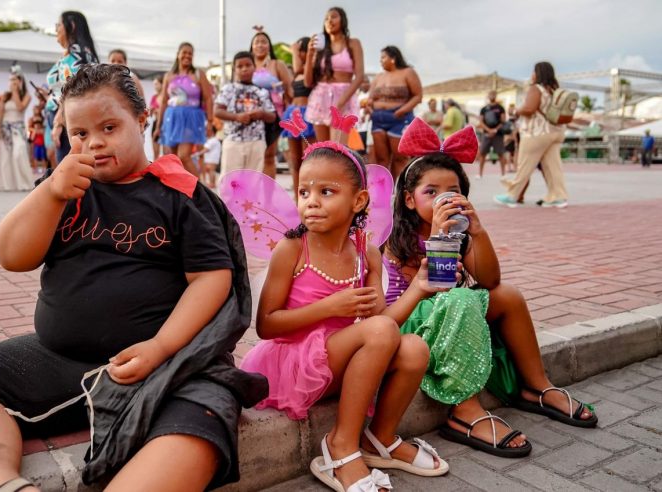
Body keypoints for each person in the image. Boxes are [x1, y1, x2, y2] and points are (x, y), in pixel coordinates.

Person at [0, 63, 266, 492]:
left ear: (142, 120)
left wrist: (161, 347)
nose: (95, 143)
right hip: (61, 360)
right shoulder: (66, 187)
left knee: (202, 424)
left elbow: (212, 279)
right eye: (79, 134)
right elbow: (12, 256)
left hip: (168, 367)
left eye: (109, 127)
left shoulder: (180, 194)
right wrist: (49, 193)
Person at [382, 118, 597, 459]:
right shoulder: (395, 240)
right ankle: (464, 411)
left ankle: (536, 385)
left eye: (452, 191)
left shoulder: (460, 229)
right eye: (431, 192)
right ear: (409, 200)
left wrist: (478, 233)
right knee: (458, 297)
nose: (443, 199)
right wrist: (440, 238)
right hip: (408, 327)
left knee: (507, 295)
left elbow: (491, 281)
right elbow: (438, 287)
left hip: (452, 312)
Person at [240, 141, 449, 491]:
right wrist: (330, 307)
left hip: (337, 362)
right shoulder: (293, 249)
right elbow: (266, 325)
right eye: (303, 191)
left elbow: (382, 320)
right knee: (381, 331)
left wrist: (419, 289)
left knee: (414, 349)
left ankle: (379, 440)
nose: (311, 201)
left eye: (326, 191)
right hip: (294, 365)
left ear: (359, 201)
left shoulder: (367, 252)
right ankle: (341, 445)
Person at [495, 62, 569, 208]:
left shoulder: (536, 89)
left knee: (524, 165)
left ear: (538, 73)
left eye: (534, 71)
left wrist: (516, 111)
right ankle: (559, 196)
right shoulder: (553, 90)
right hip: (554, 133)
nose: (532, 75)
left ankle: (512, 195)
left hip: (536, 133)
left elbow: (529, 109)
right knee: (553, 167)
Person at [305, 7, 365, 143]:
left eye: (333, 17)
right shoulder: (321, 49)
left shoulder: (353, 43)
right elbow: (308, 82)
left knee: (338, 150)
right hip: (320, 98)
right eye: (326, 18)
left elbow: (360, 76)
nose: (329, 21)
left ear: (343, 20)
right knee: (324, 149)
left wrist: (341, 101)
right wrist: (309, 54)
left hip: (343, 97)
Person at [154, 42, 214, 177]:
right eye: (184, 52)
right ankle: (179, 191)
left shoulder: (198, 74)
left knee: (184, 156)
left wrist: (210, 122)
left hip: (191, 119)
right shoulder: (169, 76)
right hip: (172, 119)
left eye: (190, 53)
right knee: (172, 158)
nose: (187, 55)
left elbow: (209, 99)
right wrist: (158, 126)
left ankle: (200, 192)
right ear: (178, 55)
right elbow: (163, 101)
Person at [47, 10, 98, 164]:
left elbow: (73, 92)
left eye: (58, 24)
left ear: (72, 26)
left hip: (67, 119)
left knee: (69, 165)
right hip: (67, 116)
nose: (56, 29)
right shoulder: (82, 54)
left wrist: (58, 122)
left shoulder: (76, 56)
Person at [214, 51, 275, 179]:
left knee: (253, 181)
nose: (244, 69)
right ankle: (227, 201)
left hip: (256, 141)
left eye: (248, 65)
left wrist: (261, 114)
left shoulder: (261, 91)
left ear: (254, 67)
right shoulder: (228, 89)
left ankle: (250, 200)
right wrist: (236, 117)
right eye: (240, 66)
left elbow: (273, 116)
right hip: (233, 141)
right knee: (230, 180)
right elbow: (217, 111)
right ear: (234, 69)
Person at [368, 45, 422, 178]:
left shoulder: (407, 72)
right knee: (381, 159)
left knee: (400, 158)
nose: (380, 61)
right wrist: (369, 106)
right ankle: (384, 191)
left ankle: (400, 189)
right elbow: (370, 98)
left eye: (383, 57)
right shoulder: (378, 77)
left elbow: (417, 95)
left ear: (393, 58)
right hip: (378, 119)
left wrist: (403, 110)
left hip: (399, 118)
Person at [250, 29, 292, 179]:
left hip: (274, 115)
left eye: (264, 42)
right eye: (257, 42)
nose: (260, 45)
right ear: (252, 46)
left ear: (269, 46)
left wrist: (290, 116)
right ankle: (251, 198)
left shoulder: (277, 64)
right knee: (252, 158)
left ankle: (268, 198)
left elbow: (289, 89)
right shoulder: (247, 65)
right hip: (251, 116)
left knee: (268, 155)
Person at [282, 36, 316, 197]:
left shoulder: (312, 69)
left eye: (301, 50)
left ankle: (308, 197)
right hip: (293, 112)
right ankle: (297, 199)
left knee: (309, 161)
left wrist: (295, 51)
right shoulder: (297, 74)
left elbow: (298, 69)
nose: (299, 54)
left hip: (307, 114)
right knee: (295, 162)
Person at [0, 66, 34, 191]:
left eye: (16, 80)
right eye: (11, 80)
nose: (13, 83)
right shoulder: (5, 96)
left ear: (21, 81)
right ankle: (8, 184)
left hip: (18, 128)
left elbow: (20, 108)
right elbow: (1, 112)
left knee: (19, 152)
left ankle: (24, 183)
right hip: (5, 127)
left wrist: (16, 92)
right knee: (5, 157)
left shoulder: (27, 96)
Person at [477, 90, 507, 178]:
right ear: (488, 96)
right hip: (486, 134)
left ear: (495, 96)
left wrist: (495, 130)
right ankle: (480, 174)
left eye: (493, 94)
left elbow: (503, 121)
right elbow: (481, 121)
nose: (492, 96)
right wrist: (488, 130)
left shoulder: (500, 108)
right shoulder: (484, 109)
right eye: (490, 94)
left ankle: (503, 174)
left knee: (501, 154)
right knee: (482, 153)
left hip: (498, 134)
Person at [149, 77, 162, 159]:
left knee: (167, 151)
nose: (155, 86)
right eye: (154, 84)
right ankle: (155, 170)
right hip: (156, 122)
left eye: (157, 84)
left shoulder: (166, 97)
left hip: (165, 124)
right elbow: (150, 114)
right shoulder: (154, 97)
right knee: (155, 152)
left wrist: (157, 110)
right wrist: (152, 110)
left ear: (162, 84)